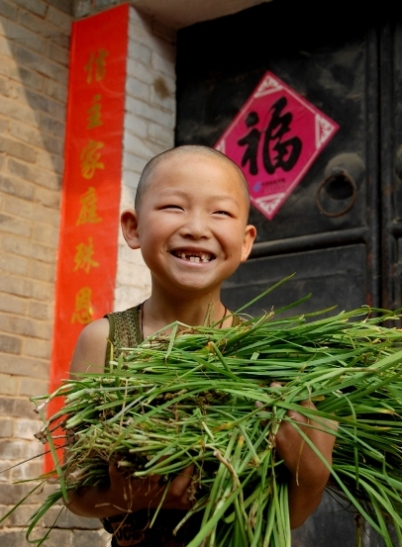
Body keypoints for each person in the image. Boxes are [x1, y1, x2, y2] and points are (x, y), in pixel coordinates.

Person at [66, 145, 337, 546]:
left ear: (245, 242)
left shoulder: (264, 355)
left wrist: (313, 474)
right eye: (174, 207)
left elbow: (289, 516)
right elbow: (75, 492)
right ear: (133, 227)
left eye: (220, 212)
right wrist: (125, 497)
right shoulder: (105, 341)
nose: (196, 227)